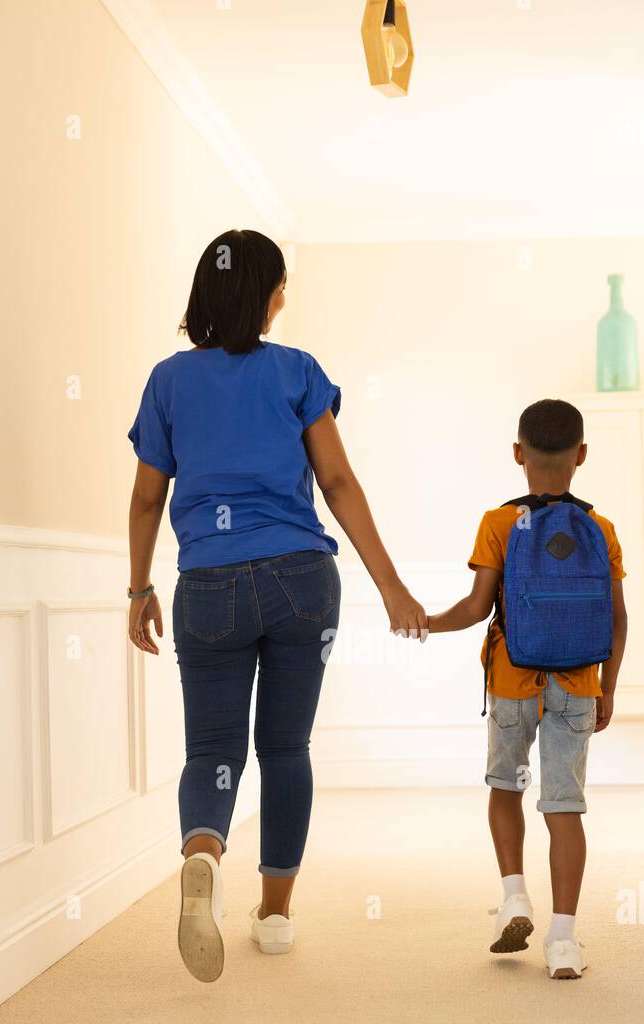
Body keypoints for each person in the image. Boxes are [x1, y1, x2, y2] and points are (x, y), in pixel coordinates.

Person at [126, 229, 427, 982]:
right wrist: (390, 583)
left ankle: (203, 855)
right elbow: (339, 482)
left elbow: (144, 497)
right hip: (299, 579)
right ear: (263, 296)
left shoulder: (168, 381)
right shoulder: (295, 371)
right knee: (285, 749)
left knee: (212, 753)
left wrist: (138, 588)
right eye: (280, 285)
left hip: (208, 588)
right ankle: (276, 916)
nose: (284, 297)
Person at [426, 399, 628, 979]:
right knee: (564, 806)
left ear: (518, 454)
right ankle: (563, 941)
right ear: (581, 456)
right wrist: (606, 687)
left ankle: (514, 897)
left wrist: (426, 620)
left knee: (506, 786)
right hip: (578, 684)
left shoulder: (498, 522)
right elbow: (617, 619)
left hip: (514, 682)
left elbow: (474, 607)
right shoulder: (601, 529)